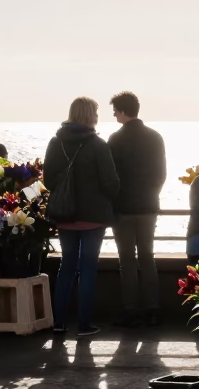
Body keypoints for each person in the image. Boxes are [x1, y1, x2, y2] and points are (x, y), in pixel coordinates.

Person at [43, 97, 120, 337]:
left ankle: (59, 323)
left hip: (65, 215)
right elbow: (110, 182)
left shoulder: (56, 142)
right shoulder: (98, 145)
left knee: (67, 266)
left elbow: (47, 180)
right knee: (87, 268)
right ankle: (84, 325)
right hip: (93, 216)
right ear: (90, 116)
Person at [107, 91, 167, 327]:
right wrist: (152, 194)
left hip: (122, 208)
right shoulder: (155, 137)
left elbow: (110, 178)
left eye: (115, 111)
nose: (114, 115)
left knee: (127, 260)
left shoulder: (114, 140)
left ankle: (130, 309)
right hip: (148, 207)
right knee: (147, 257)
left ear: (122, 111)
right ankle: (153, 308)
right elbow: (161, 173)